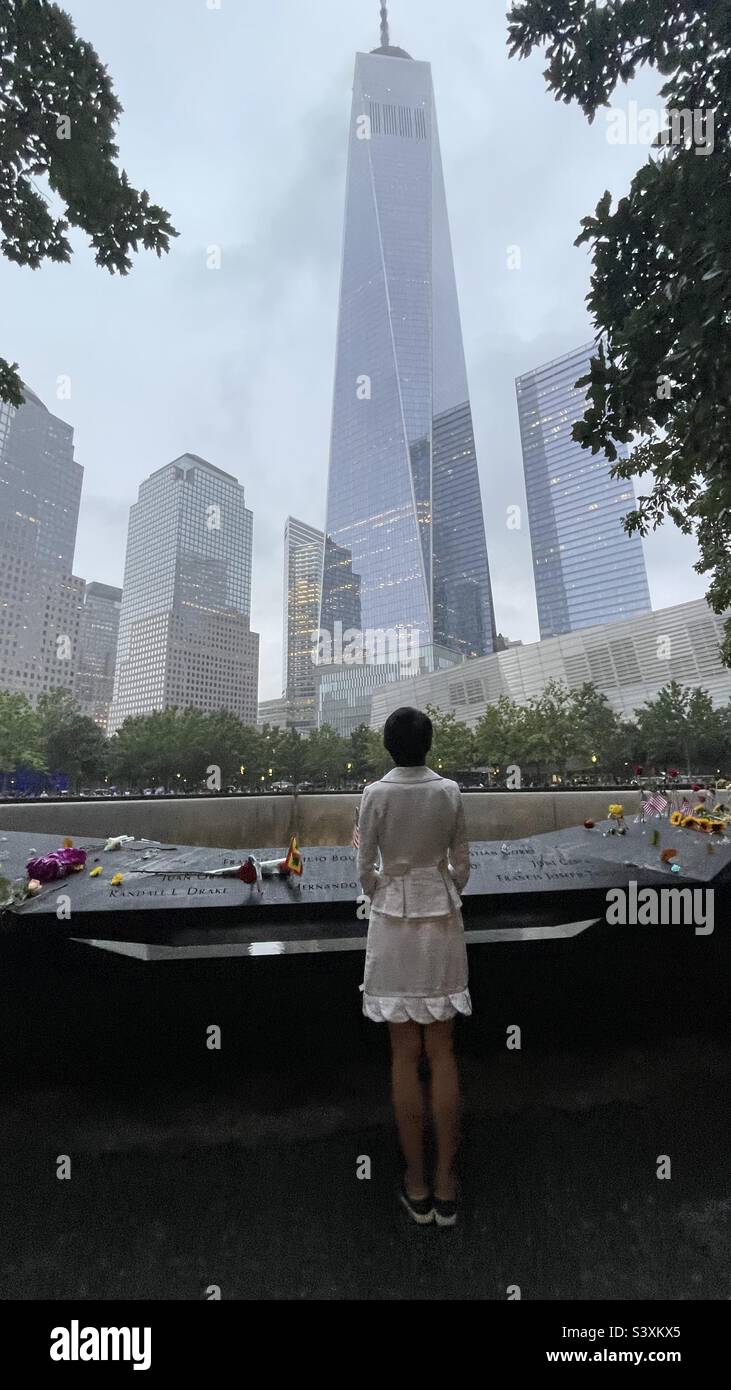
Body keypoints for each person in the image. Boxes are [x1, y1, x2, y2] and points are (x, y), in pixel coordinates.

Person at [357, 706, 471, 1227]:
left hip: (393, 922)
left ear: (387, 746)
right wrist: (440, 884)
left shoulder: (375, 795)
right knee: (442, 1053)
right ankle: (448, 1185)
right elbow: (462, 867)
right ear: (429, 744)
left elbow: (365, 872)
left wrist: (386, 886)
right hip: (441, 918)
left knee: (404, 1055)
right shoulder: (448, 793)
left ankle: (417, 1184)